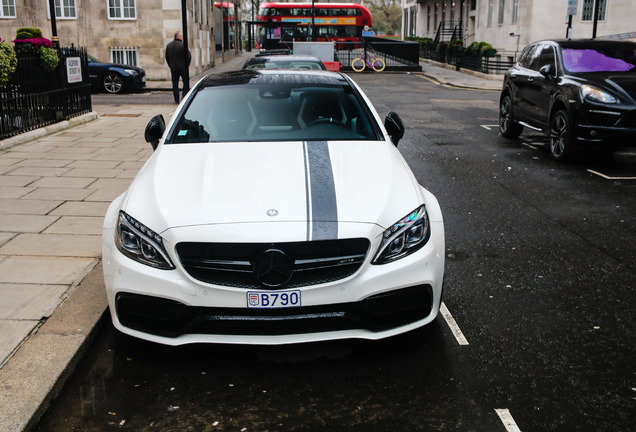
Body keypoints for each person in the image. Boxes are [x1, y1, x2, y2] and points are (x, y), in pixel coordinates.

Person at [165, 31, 191, 104]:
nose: (182, 37)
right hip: (182, 68)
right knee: (186, 82)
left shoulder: (168, 46)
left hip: (173, 68)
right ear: (178, 36)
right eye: (182, 36)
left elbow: (167, 57)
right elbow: (188, 56)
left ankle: (176, 99)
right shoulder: (182, 45)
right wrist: (186, 66)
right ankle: (183, 96)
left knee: (175, 84)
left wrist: (170, 65)